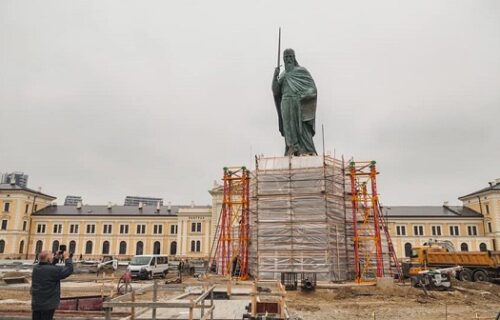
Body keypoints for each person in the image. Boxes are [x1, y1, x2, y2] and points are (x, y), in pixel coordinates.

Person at [272, 48, 318, 156]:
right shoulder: (282, 75)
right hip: (285, 102)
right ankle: (291, 147)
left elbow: (313, 90)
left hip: (297, 103)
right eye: (286, 57)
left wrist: (302, 96)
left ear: (294, 58)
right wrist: (275, 76)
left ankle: (306, 149)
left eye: (290, 57)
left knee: (300, 128)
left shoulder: (301, 72)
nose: (288, 59)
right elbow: (276, 91)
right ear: (283, 59)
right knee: (288, 127)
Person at [31, 250, 74, 320]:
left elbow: (48, 266)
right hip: (48, 304)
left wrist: (56, 258)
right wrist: (67, 258)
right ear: (48, 259)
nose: (53, 256)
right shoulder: (54, 270)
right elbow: (69, 269)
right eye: (51, 256)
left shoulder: (36, 268)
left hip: (37, 302)